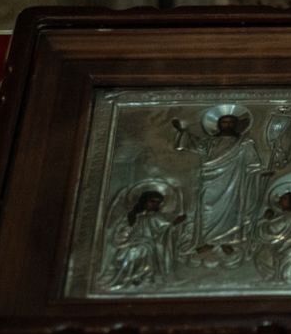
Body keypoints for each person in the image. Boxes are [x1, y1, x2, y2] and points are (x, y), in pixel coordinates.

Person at [173, 106, 268, 267]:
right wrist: (182, 131)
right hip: (210, 181)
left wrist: (260, 174)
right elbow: (192, 144)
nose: (227, 125)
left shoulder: (244, 143)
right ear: (218, 125)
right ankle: (206, 241)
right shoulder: (209, 142)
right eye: (224, 122)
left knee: (231, 210)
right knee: (207, 210)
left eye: (231, 122)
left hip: (233, 181)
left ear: (236, 125)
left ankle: (226, 240)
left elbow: (253, 165)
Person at [99, 189, 187, 291]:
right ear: (144, 201)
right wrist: (126, 235)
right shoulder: (134, 216)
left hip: (148, 244)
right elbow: (122, 231)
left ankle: (141, 276)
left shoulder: (156, 217)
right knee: (125, 252)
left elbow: (165, 229)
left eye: (157, 202)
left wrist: (175, 223)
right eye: (152, 201)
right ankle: (123, 277)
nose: (154, 204)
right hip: (131, 242)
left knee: (139, 250)